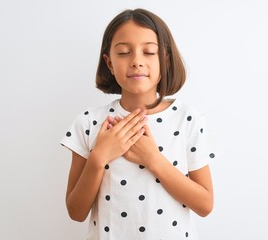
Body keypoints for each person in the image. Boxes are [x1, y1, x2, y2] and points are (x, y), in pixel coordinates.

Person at [60, 8, 219, 240]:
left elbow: (205, 205)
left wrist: (153, 159)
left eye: (149, 52)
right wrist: (99, 156)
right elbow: (76, 211)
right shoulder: (89, 122)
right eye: (124, 52)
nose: (136, 61)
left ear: (164, 59)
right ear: (109, 63)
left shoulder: (188, 119)